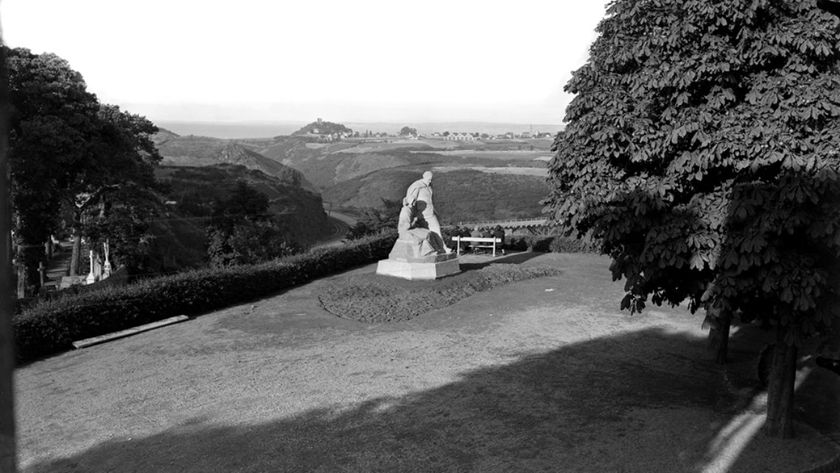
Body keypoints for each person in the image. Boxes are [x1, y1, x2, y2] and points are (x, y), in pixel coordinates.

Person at [404, 171, 451, 253]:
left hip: (430, 213)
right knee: (428, 235)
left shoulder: (429, 186)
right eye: (429, 179)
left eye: (431, 179)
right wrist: (411, 208)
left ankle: (443, 248)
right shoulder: (417, 186)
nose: (430, 181)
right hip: (421, 215)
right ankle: (435, 250)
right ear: (424, 177)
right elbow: (410, 198)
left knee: (437, 230)